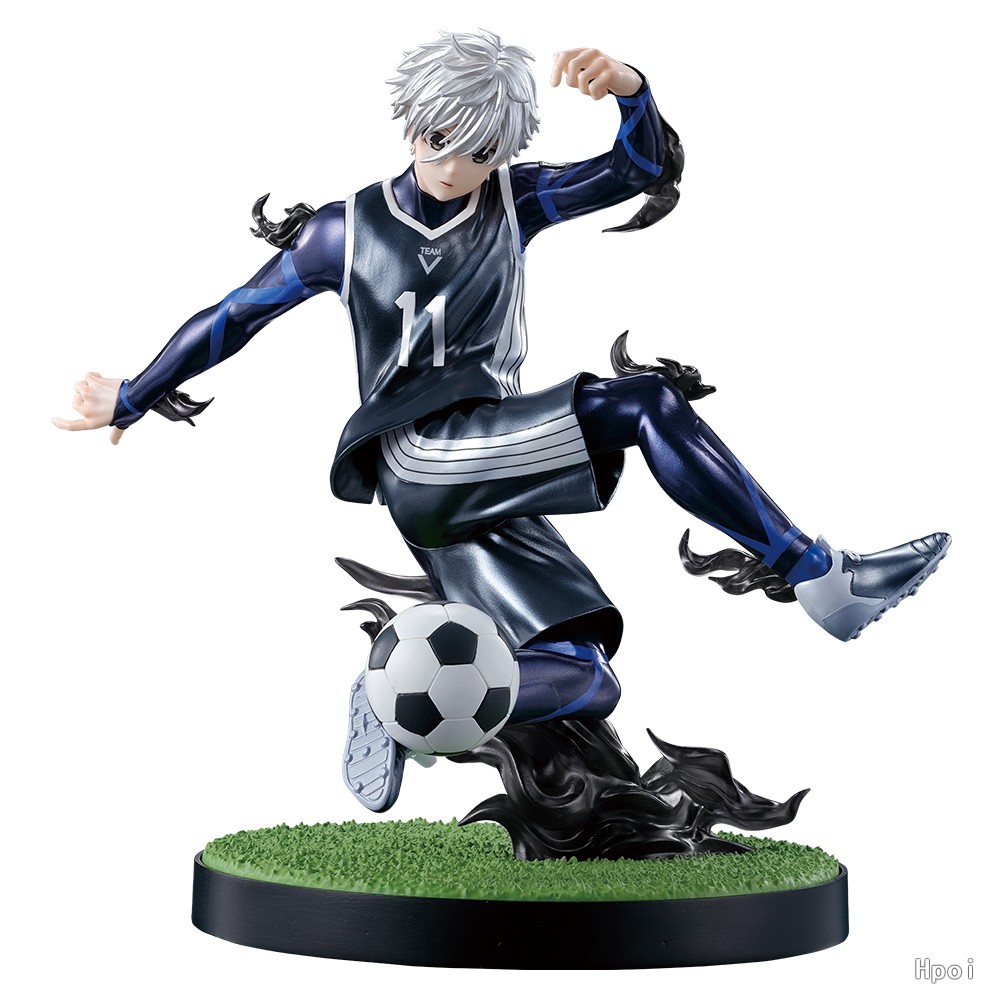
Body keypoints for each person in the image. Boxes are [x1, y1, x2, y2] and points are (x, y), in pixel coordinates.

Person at [54, 31, 949, 811]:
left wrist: (632, 89)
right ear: (410, 124)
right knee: (643, 403)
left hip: (484, 470)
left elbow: (638, 170)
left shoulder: (515, 201)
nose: (453, 166)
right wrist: (132, 394)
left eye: (479, 150)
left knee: (586, 677)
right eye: (438, 139)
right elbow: (232, 316)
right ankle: (818, 575)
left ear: (505, 149)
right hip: (420, 456)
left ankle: (397, 704)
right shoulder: (343, 231)